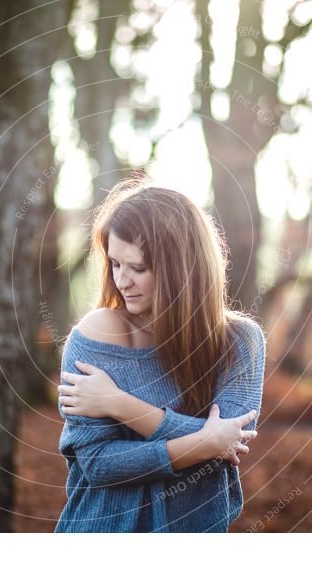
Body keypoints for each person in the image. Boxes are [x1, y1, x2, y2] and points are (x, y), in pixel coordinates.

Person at [54, 176, 266, 532]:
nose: (122, 281)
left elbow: (230, 444)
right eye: (115, 264)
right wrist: (204, 441)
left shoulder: (240, 342)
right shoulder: (98, 333)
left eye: (138, 268)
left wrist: (117, 403)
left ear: (182, 269)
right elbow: (98, 464)